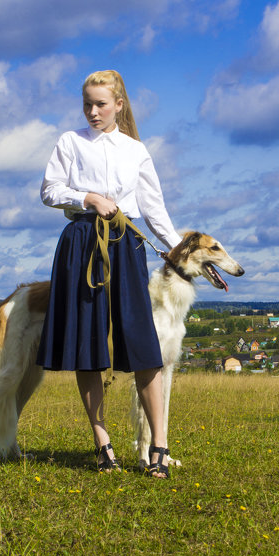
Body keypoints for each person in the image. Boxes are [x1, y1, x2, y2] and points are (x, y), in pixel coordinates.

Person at [36, 70, 181, 478]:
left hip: (127, 245)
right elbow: (49, 190)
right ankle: (103, 445)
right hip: (81, 244)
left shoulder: (136, 149)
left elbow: (154, 208)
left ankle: (160, 446)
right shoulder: (69, 141)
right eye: (88, 104)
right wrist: (88, 196)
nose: (93, 111)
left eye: (101, 104)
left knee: (143, 346)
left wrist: (175, 250)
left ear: (119, 105)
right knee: (88, 346)